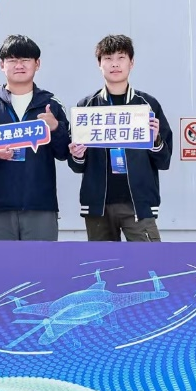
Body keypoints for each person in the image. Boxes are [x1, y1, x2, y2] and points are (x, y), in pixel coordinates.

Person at [68, 34, 173, 242]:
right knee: (102, 261)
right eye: (108, 58)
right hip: (98, 204)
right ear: (99, 64)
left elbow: (164, 161)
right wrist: (77, 155)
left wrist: (156, 141)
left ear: (131, 63)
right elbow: (76, 165)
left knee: (149, 258)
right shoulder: (86, 107)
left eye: (121, 58)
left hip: (138, 204)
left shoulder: (147, 105)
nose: (114, 64)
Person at [0, 35, 71, 241]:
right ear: (2, 65)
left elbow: (64, 153)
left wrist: (55, 128)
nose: (19, 65)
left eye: (26, 60)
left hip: (40, 206)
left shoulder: (50, 104)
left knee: (41, 262)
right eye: (12, 60)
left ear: (37, 64)